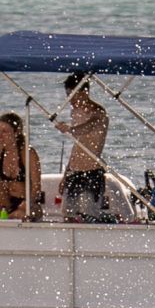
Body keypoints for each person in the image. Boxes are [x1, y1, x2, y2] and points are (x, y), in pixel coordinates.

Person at [57, 73, 112, 221]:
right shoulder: (75, 112)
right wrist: (65, 174)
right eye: (68, 94)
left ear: (84, 92)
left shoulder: (98, 113)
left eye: (73, 95)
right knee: (67, 216)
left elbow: (88, 127)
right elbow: (78, 145)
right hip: (74, 171)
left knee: (88, 217)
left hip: (92, 172)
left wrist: (70, 129)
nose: (71, 99)